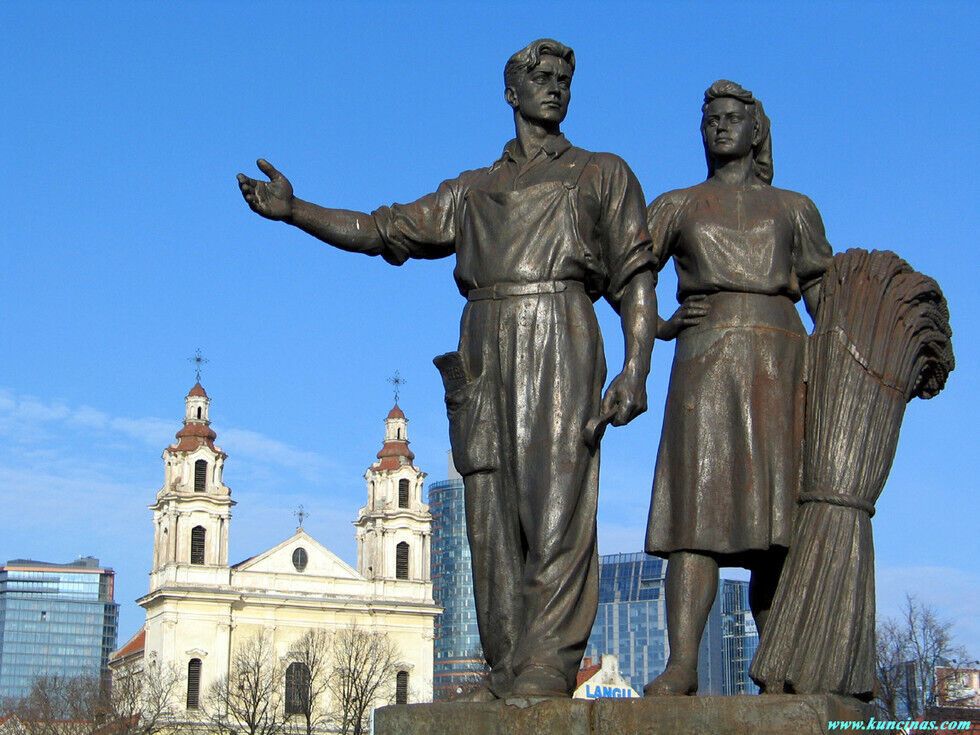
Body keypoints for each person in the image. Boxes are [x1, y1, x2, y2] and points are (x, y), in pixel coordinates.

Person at [237, 39, 657, 699]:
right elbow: (384, 230)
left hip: (562, 331)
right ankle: (507, 661)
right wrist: (296, 211)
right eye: (540, 77)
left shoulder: (601, 173)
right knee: (489, 509)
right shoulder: (472, 191)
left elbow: (635, 278)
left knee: (557, 504)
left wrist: (636, 367)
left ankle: (548, 661)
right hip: (484, 341)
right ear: (511, 93)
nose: (555, 87)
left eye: (563, 79)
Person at [643, 80, 833, 695]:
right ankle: (682, 664)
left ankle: (779, 662)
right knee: (692, 519)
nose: (720, 127)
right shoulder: (678, 205)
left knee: (779, 523)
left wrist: (840, 360)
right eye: (711, 120)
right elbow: (626, 270)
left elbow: (823, 293)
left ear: (757, 131)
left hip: (782, 363)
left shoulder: (794, 208)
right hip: (705, 361)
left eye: (731, 118)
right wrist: (658, 323)